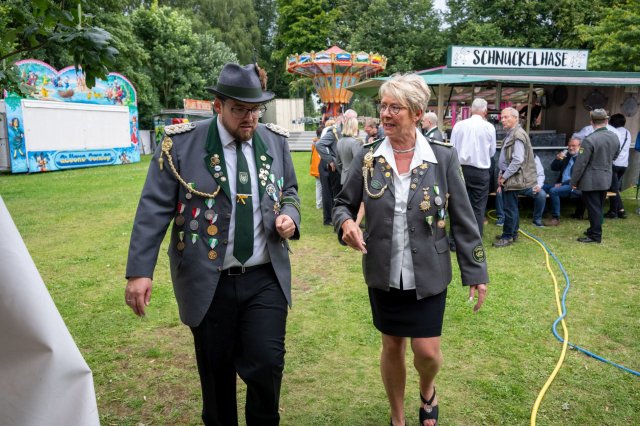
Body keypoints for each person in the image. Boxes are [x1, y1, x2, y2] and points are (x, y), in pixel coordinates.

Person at [124, 63, 301, 425]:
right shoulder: (181, 145)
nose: (249, 118)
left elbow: (291, 192)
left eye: (255, 110)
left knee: (267, 364)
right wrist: (140, 272)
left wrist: (290, 215)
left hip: (264, 277)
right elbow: (153, 209)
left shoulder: (275, 141)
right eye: (240, 109)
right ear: (217, 105)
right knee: (216, 375)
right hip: (208, 279)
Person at [333, 73, 488, 426]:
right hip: (384, 272)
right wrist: (346, 224)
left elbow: (464, 218)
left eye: (395, 108)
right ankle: (398, 416)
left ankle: (428, 389)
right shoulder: (369, 156)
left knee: (427, 352)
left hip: (429, 272)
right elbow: (342, 203)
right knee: (392, 346)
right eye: (383, 106)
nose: (385, 114)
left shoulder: (442, 157)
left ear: (417, 113)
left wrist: (476, 271)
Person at [450, 97, 497, 237]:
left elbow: (452, 148)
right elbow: (492, 152)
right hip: (480, 170)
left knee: (458, 205)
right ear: (485, 111)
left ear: (471, 110)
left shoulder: (459, 125)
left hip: (460, 169)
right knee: (478, 207)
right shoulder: (489, 127)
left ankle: (455, 239)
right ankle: (474, 239)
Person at [571, 109, 619, 243]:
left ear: (591, 122)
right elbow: (615, 155)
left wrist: (574, 181)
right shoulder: (614, 136)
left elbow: (580, 164)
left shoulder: (589, 139)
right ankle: (593, 230)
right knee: (598, 206)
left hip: (590, 179)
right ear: (606, 121)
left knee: (594, 208)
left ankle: (595, 235)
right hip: (606, 177)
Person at [494, 107, 538, 248]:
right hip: (510, 176)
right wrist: (502, 174)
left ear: (515, 118)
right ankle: (513, 233)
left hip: (513, 177)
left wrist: (505, 176)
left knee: (509, 208)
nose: (503, 120)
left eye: (506, 117)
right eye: (502, 117)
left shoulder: (517, 134)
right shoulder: (512, 133)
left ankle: (507, 236)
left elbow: (518, 160)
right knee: (511, 207)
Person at [317, 110, 358, 225]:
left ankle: (335, 218)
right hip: (330, 165)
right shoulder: (336, 130)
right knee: (330, 193)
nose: (354, 121)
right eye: (351, 119)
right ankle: (330, 219)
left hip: (338, 165)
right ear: (345, 118)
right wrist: (330, 160)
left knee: (336, 193)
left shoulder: (344, 130)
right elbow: (319, 145)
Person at [494, 155, 546, 228]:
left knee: (541, 194)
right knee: (499, 192)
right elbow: (502, 171)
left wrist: (539, 185)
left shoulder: (534, 157)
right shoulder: (510, 155)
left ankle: (537, 220)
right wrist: (500, 185)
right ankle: (501, 218)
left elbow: (540, 174)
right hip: (511, 186)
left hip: (528, 186)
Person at [542, 136, 583, 226]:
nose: (570, 148)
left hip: (574, 186)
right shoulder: (567, 156)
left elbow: (579, 177)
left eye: (573, 146)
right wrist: (557, 159)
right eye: (569, 146)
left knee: (554, 191)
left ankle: (555, 218)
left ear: (580, 146)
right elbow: (554, 168)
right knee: (540, 187)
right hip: (562, 184)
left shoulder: (582, 158)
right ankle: (543, 212)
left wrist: (562, 184)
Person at [606, 113, 632, 219]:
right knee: (614, 188)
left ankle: (616, 211)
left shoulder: (614, 132)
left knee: (613, 189)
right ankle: (618, 210)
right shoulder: (627, 132)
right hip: (624, 164)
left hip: (614, 164)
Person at [310, 126, 323, 209]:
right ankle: (321, 203)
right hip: (320, 168)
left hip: (315, 168)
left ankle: (319, 204)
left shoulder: (314, 142)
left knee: (318, 186)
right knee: (323, 186)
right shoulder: (321, 143)